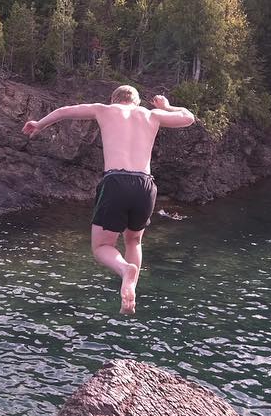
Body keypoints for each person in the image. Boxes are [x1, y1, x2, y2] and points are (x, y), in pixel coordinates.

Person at [23, 85, 196, 314]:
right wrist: (167, 106)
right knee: (134, 241)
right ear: (136, 102)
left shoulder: (103, 109)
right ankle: (130, 292)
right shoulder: (151, 114)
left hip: (116, 182)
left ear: (113, 99)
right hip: (145, 184)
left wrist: (40, 123)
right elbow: (188, 118)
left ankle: (125, 270)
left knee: (102, 246)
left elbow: (65, 111)